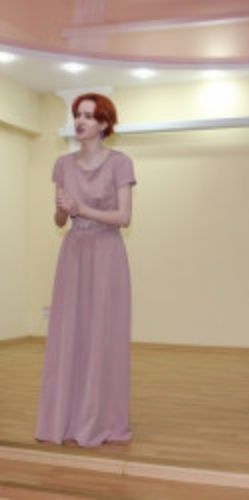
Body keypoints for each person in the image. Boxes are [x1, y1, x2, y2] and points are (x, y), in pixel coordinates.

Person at [36, 93, 136, 447]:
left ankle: (99, 419)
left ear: (104, 124)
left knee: (102, 334)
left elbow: (124, 217)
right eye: (78, 114)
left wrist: (82, 209)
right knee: (69, 333)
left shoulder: (120, 163)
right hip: (74, 252)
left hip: (107, 252)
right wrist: (64, 210)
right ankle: (64, 419)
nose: (80, 121)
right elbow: (59, 219)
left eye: (89, 116)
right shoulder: (63, 165)